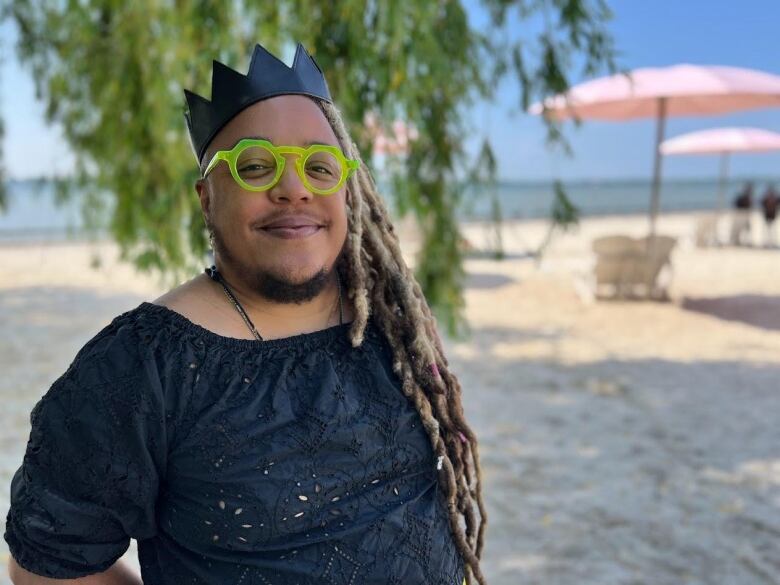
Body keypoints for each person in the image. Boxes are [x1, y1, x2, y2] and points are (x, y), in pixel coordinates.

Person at [4, 43, 485, 585]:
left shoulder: (393, 325)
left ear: (348, 189)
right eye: (256, 166)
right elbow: (48, 567)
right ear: (207, 197)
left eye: (320, 167)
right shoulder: (142, 368)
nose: (294, 189)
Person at [729, 182, 753, 246]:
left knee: (744, 229)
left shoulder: (747, 197)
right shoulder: (744, 197)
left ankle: (740, 241)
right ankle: (737, 240)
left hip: (744, 215)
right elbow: (737, 204)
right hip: (741, 214)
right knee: (739, 229)